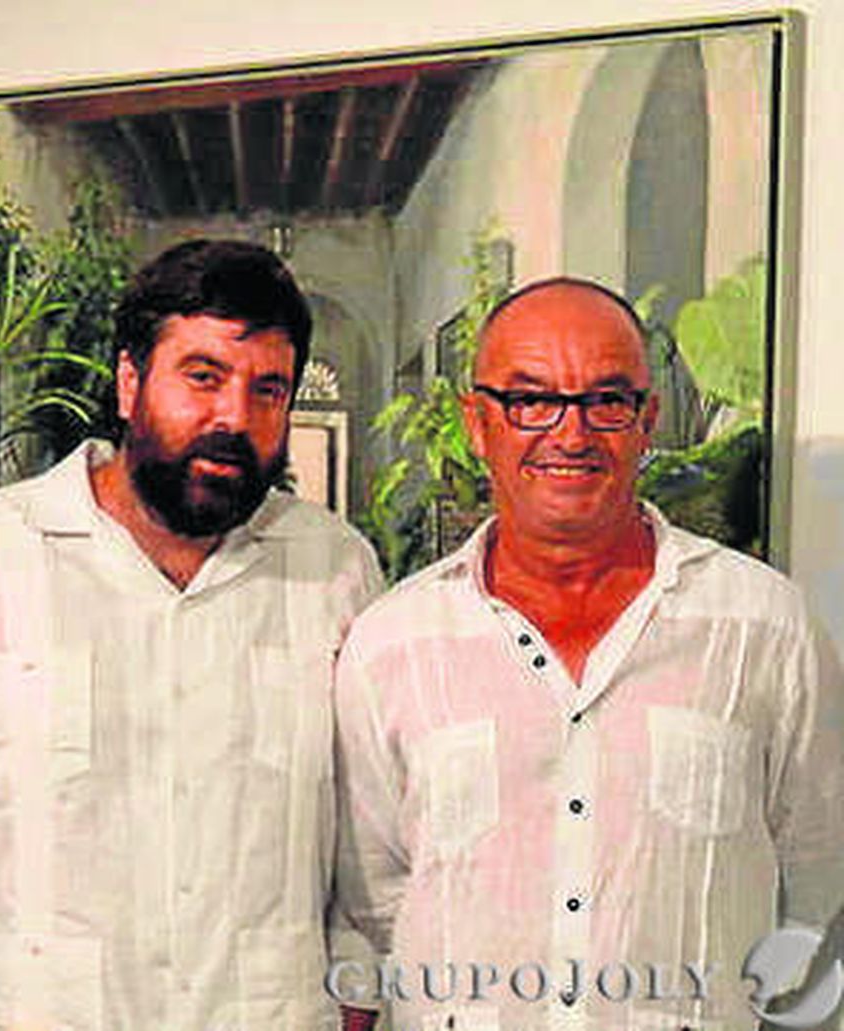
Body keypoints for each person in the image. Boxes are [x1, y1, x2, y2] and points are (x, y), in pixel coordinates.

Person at [0, 239, 382, 1031]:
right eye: (203, 376)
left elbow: (370, 836)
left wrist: (358, 1007)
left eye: (269, 389)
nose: (234, 418)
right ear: (128, 381)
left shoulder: (335, 569)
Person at [332, 278, 844, 1030]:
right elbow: (373, 909)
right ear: (478, 423)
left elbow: (817, 890)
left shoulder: (763, 627)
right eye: (531, 400)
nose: (571, 435)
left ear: (648, 422)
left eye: (606, 400)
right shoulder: (393, 645)